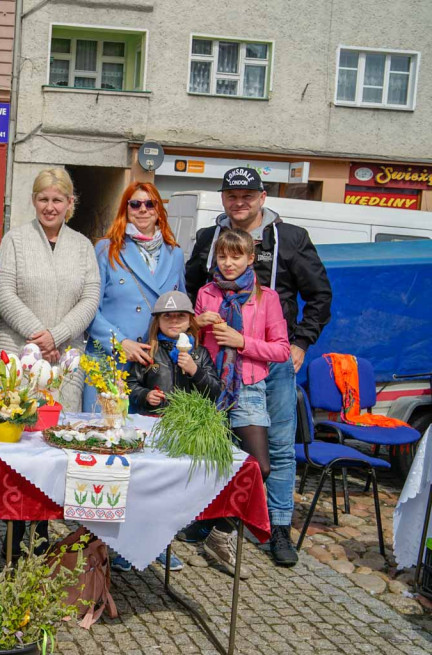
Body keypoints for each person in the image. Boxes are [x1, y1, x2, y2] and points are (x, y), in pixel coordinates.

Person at [185, 166, 332, 567]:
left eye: (248, 196)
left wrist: (302, 342)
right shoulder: (208, 238)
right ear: (223, 199)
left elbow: (320, 295)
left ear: (262, 198)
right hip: (222, 365)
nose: (240, 203)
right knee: (218, 443)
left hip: (273, 359)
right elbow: (191, 289)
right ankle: (211, 518)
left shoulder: (291, 238)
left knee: (279, 448)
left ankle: (278, 527)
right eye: (232, 196)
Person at [0, 167, 100, 556]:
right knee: (18, 445)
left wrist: (58, 335)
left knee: (55, 447)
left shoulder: (82, 247)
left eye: (57, 200)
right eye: (43, 199)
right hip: (19, 353)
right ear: (33, 201)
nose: (50, 206)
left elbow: (90, 297)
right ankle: (13, 531)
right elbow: (3, 291)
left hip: (64, 358)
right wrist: (39, 335)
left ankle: (43, 533)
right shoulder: (15, 240)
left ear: (70, 203)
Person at [195, 228, 290, 577]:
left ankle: (221, 531)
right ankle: (206, 530)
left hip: (248, 387)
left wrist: (242, 341)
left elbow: (281, 349)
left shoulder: (267, 298)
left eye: (236, 256)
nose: (228, 263)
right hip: (209, 387)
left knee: (259, 466)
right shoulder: (206, 293)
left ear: (251, 258)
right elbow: (188, 341)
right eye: (222, 256)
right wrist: (196, 324)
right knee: (211, 463)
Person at [86, 181, 184, 410]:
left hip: (154, 368)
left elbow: (180, 310)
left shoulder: (175, 253)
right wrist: (120, 343)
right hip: (111, 362)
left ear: (159, 210)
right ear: (126, 209)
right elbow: (89, 309)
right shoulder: (107, 249)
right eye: (135, 204)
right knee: (103, 429)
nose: (143, 210)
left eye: (150, 204)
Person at [127, 290, 220, 415]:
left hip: (191, 422)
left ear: (190, 321)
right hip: (155, 421)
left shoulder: (200, 353)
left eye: (181, 315)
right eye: (167, 315)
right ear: (158, 321)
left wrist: (195, 371)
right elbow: (131, 385)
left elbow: (215, 392)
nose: (174, 320)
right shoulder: (149, 352)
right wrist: (145, 395)